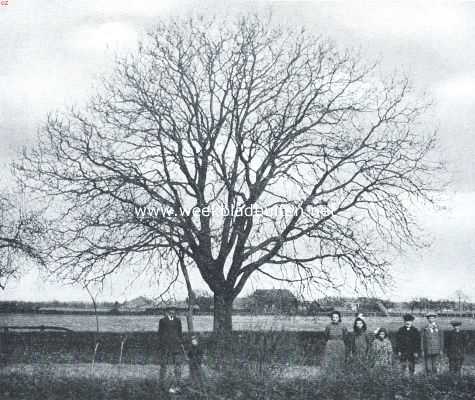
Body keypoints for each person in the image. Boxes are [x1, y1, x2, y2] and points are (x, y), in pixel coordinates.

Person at [158, 306, 183, 393]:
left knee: (177, 365)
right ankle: (164, 385)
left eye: (174, 310)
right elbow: (160, 334)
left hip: (176, 346)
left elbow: (180, 334)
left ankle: (177, 385)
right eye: (170, 310)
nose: (172, 311)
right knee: (165, 366)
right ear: (167, 311)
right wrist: (162, 345)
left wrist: (180, 342)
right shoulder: (162, 321)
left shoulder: (178, 321)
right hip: (166, 346)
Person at [323, 311, 348, 375]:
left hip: (340, 343)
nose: (334, 318)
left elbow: (345, 336)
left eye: (336, 317)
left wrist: (340, 341)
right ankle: (329, 373)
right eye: (333, 317)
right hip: (330, 343)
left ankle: (340, 373)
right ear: (331, 318)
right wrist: (330, 341)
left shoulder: (343, 326)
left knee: (340, 358)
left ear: (339, 318)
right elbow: (326, 335)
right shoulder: (328, 326)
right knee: (330, 358)